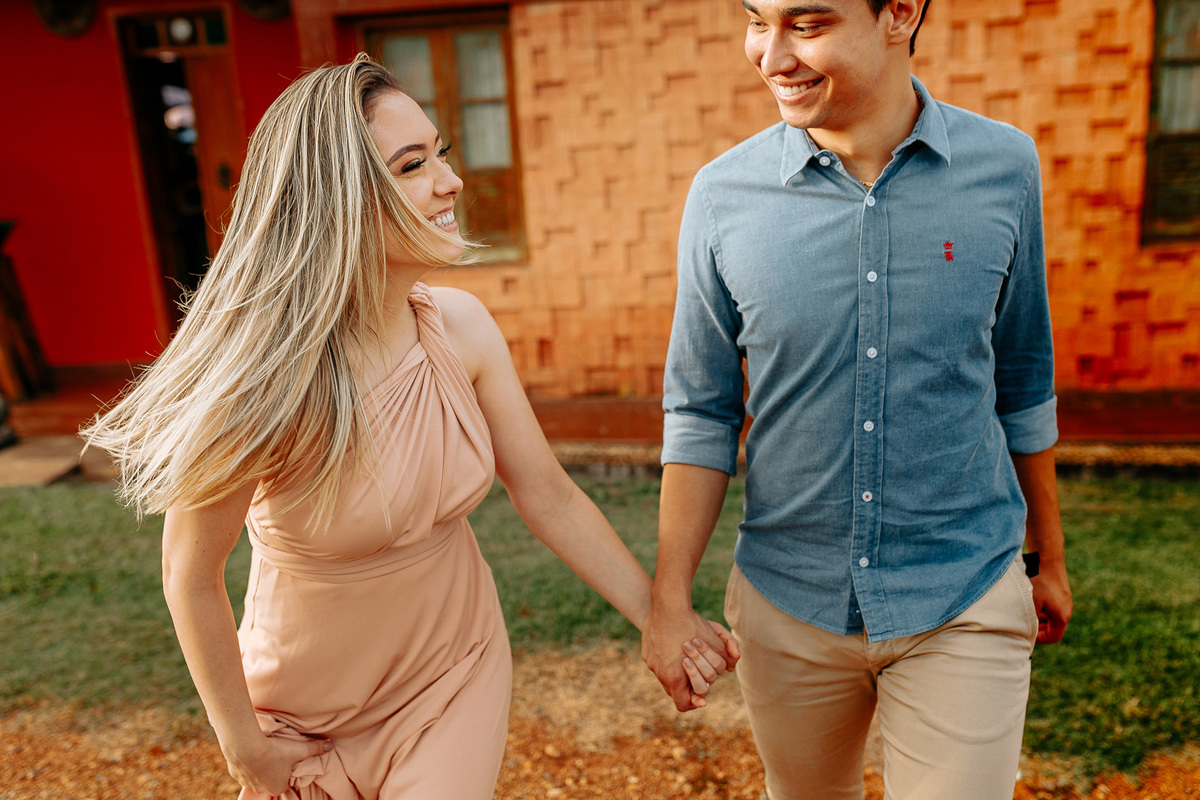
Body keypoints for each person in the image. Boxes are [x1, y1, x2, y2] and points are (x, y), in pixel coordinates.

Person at [82, 55, 736, 800]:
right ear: (342, 198)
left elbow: (547, 494)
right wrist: (245, 749)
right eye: (413, 164)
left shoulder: (462, 330)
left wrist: (661, 620)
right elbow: (190, 573)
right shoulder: (261, 380)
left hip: (452, 676)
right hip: (300, 715)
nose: (450, 181)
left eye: (441, 153)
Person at [640, 1, 1073, 797]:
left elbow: (1022, 375)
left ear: (899, 13)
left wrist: (1047, 556)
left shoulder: (1005, 167)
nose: (771, 55)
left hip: (963, 590)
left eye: (806, 25)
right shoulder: (720, 197)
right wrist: (669, 600)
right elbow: (700, 411)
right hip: (787, 602)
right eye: (755, 20)